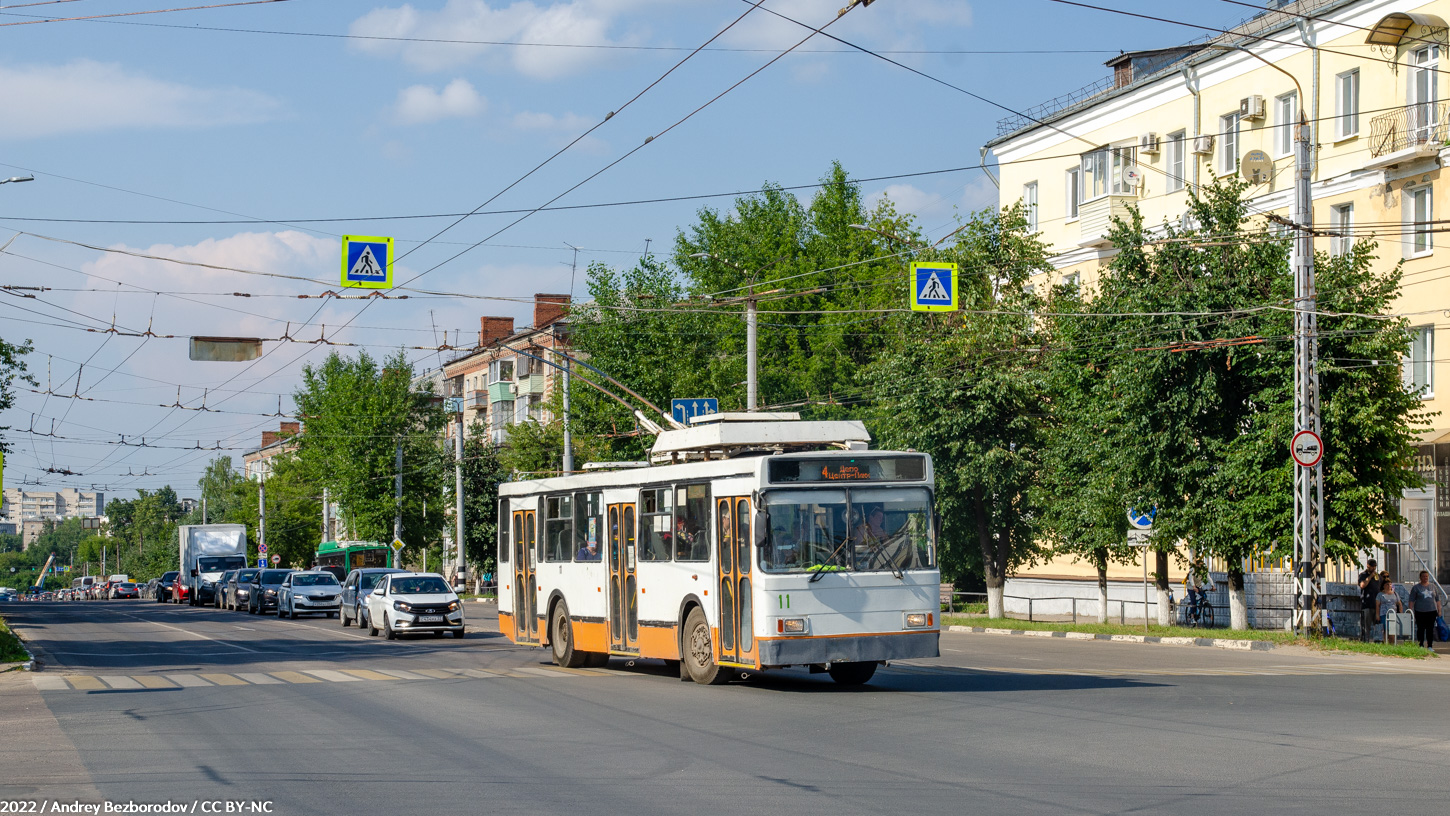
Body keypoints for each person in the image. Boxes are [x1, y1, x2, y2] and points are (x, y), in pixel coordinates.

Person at [1407, 570, 1441, 649]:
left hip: (1431, 611)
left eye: (1426, 576)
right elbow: (1411, 600)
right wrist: (1410, 610)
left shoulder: (1433, 586)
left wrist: (1439, 610)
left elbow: (1437, 599)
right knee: (1421, 629)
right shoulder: (1416, 587)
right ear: (1420, 577)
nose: (1425, 578)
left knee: (1430, 629)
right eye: (1423, 576)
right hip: (1420, 611)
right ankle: (1421, 645)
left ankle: (1430, 646)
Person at [1377, 577, 1404, 645]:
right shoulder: (1380, 594)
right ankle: (1384, 644)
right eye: (1387, 584)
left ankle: (1392, 644)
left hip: (1393, 615)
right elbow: (1377, 605)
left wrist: (1401, 613)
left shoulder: (1395, 594)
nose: (1389, 586)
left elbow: (1399, 604)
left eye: (1390, 584)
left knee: (1392, 631)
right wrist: (1377, 615)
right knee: (1385, 630)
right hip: (1384, 614)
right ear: (1384, 585)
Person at [1357, 559, 1379, 641]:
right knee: (1366, 626)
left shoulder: (1377, 576)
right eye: (1372, 566)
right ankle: (1365, 641)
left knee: (1377, 626)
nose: (1374, 568)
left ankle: (1377, 641)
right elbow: (1362, 585)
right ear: (1368, 566)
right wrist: (1370, 577)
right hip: (1367, 604)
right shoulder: (1363, 575)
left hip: (1376, 605)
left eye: (1375, 566)